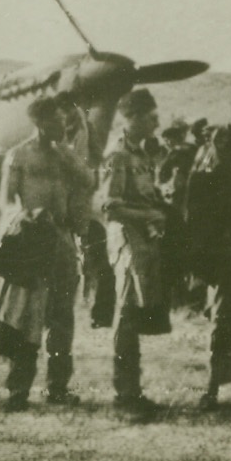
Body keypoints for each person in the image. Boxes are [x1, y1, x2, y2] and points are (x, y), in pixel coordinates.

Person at [0, 97, 92, 411]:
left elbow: (85, 189)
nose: (64, 126)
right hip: (32, 242)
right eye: (59, 120)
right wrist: (27, 216)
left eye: (68, 120)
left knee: (62, 318)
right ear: (41, 122)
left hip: (62, 242)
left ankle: (57, 387)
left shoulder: (68, 157)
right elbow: (6, 202)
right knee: (26, 319)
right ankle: (18, 390)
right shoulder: (18, 155)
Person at [98, 88, 169, 421]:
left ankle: (133, 391)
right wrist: (148, 217)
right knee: (126, 315)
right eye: (152, 116)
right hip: (127, 239)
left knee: (135, 314)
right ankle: (124, 395)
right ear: (135, 117)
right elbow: (110, 208)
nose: (157, 122)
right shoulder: (119, 155)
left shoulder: (141, 154)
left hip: (144, 239)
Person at [184, 124, 231, 410]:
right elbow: (195, 222)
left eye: (229, 142)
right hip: (223, 258)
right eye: (220, 142)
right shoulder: (203, 177)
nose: (224, 147)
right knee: (226, 319)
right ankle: (214, 388)